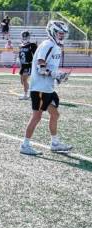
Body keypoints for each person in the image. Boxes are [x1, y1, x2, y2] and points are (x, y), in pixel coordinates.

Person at [20, 20, 73, 156]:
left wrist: (58, 77)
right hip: (40, 88)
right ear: (53, 32)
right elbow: (40, 67)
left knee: (55, 114)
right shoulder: (47, 44)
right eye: (60, 33)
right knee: (37, 116)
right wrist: (55, 74)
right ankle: (25, 145)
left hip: (47, 87)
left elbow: (48, 68)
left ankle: (55, 143)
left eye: (63, 34)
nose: (62, 36)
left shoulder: (55, 46)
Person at [17, 30, 38, 100]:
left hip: (29, 65)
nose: (24, 37)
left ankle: (26, 95)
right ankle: (29, 92)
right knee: (22, 81)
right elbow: (20, 54)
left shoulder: (32, 45)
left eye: (26, 36)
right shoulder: (21, 45)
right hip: (22, 65)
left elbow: (36, 55)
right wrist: (18, 59)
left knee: (24, 80)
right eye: (23, 36)